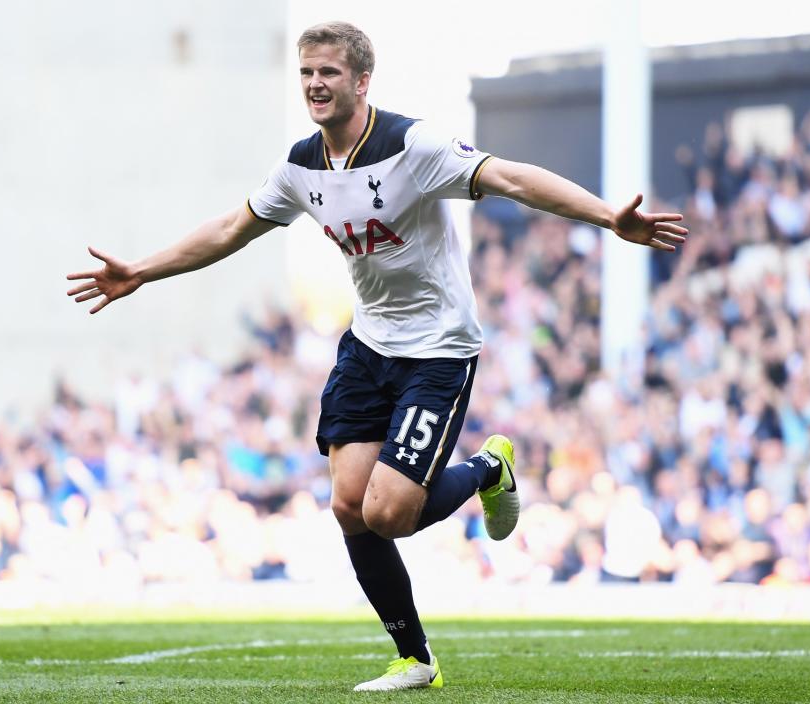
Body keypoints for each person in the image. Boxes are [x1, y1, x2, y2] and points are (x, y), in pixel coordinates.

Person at [66, 21, 688, 691]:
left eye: (328, 72)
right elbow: (229, 229)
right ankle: (415, 659)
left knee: (388, 513)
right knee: (348, 506)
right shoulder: (301, 166)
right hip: (367, 347)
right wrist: (141, 271)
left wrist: (606, 217)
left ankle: (487, 468)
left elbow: (509, 176)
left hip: (438, 350)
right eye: (306, 73)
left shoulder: (411, 146)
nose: (314, 84)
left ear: (362, 81)